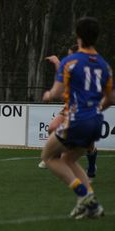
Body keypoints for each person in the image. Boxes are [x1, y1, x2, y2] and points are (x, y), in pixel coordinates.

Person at [41, 16, 114, 219]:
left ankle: (83, 195)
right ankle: (93, 204)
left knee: (48, 157)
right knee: (69, 159)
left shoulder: (71, 61)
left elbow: (55, 93)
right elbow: (111, 98)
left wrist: (47, 95)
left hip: (77, 119)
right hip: (96, 121)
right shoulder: (104, 65)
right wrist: (96, 108)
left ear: (78, 36)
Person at [38, 45, 98, 182]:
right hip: (69, 108)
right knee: (52, 128)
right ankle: (55, 156)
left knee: (88, 144)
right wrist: (56, 61)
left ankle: (92, 166)